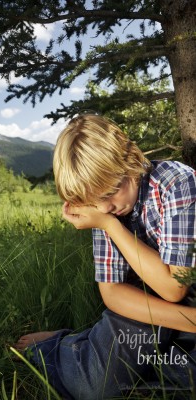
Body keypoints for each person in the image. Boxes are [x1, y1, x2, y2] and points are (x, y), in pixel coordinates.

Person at [16, 114, 196, 399]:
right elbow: (112, 292)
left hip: (188, 294)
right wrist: (109, 225)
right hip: (146, 305)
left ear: (131, 162)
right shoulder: (106, 214)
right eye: (94, 202)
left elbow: (176, 286)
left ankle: (93, 345)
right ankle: (61, 347)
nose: (105, 206)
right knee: (95, 387)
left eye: (112, 192)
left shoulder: (176, 183)